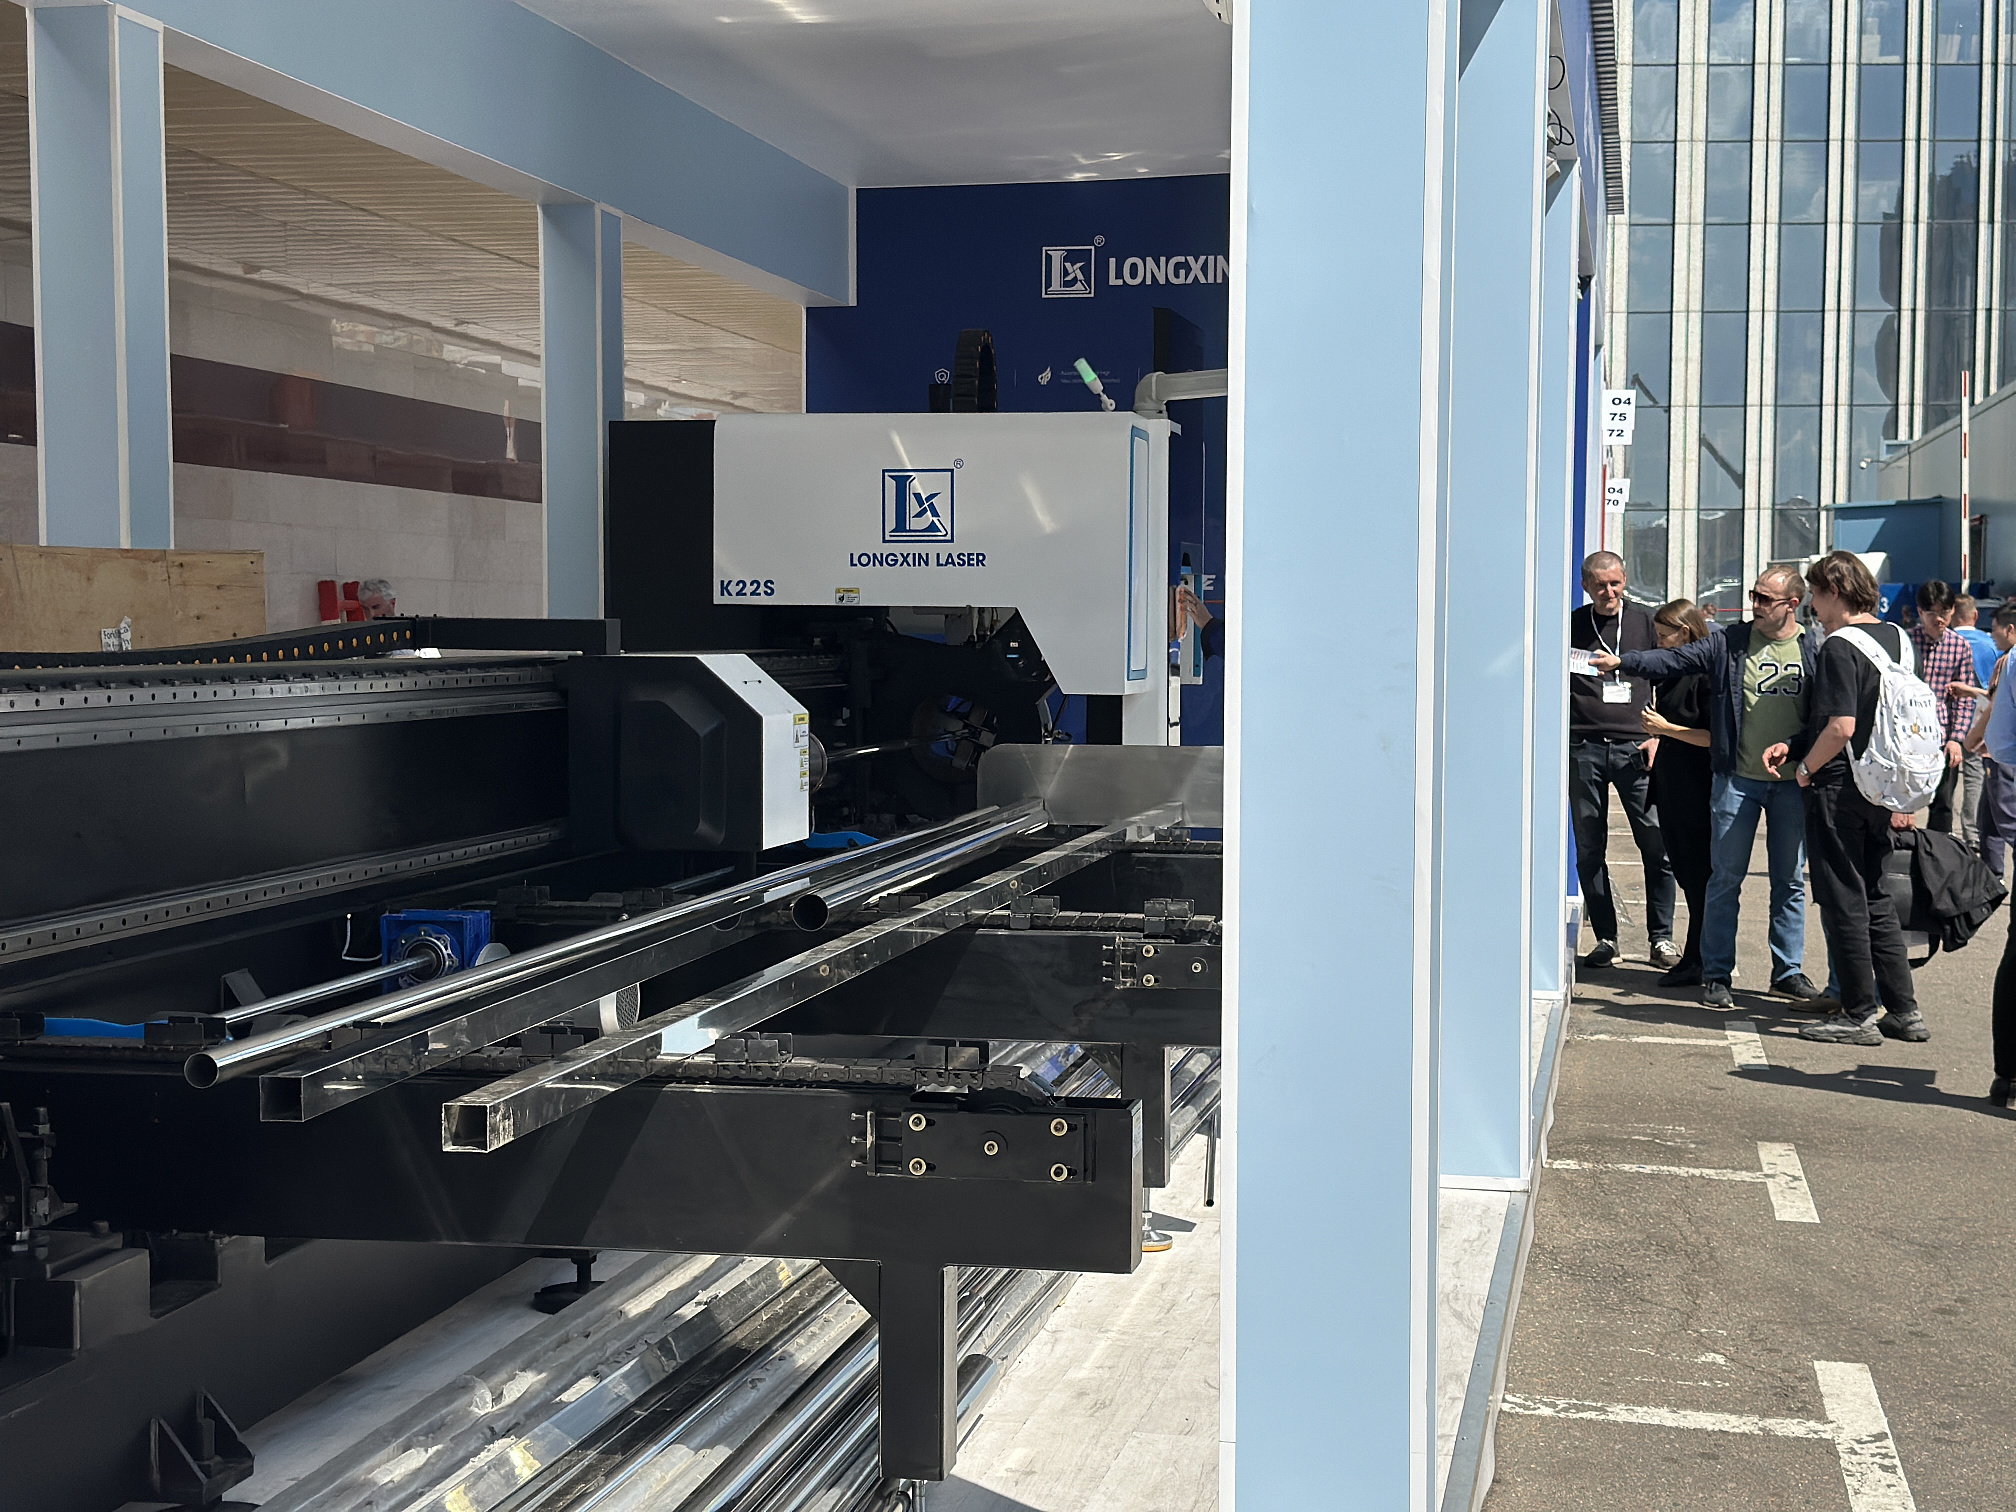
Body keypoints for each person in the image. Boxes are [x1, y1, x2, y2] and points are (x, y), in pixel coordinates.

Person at [1593, 565, 1821, 1007]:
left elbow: (1823, 712)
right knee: (1724, 880)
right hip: (1738, 779)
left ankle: (1787, 972)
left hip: (1792, 781)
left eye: (1764, 599)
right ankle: (1715, 973)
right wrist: (1624, 661)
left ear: (1792, 604)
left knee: (1789, 881)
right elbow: (1672, 660)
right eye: (1753, 595)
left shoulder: (1812, 646)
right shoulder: (1731, 642)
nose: (1754, 604)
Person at [1761, 552, 1926, 1046]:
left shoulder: (1838, 646)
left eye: (1815, 593)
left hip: (1839, 786)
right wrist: (1798, 745)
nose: (1812, 604)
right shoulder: (1898, 639)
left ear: (1834, 592)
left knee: (1843, 901)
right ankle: (1904, 1010)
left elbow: (1841, 726)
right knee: (1875, 895)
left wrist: (1805, 769)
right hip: (1884, 783)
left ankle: (1858, 1013)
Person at [1569, 551, 1680, 969]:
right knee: (1589, 847)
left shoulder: (1646, 623)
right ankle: (1606, 937)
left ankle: (1661, 938)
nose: (1609, 591)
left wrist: (1659, 735)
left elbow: (1669, 678)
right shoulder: (1573, 625)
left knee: (1656, 844)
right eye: (1600, 585)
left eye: (1615, 583)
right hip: (1585, 747)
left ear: (1625, 579)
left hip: (1637, 749)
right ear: (1586, 586)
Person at [1637, 601, 1715, 984]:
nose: (1659, 643)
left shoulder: (1705, 675)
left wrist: (1665, 729)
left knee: (1699, 877)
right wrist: (1657, 737)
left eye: (1664, 636)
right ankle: (1696, 956)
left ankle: (1699, 959)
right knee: (1685, 873)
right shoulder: (1672, 674)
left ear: (1685, 633)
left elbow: (1712, 737)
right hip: (1670, 784)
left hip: (1696, 788)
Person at [1907, 580, 1977, 836]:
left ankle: (1938, 854)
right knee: (1901, 802)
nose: (1939, 619)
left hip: (1943, 738)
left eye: (1944, 612)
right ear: (1920, 612)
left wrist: (1957, 739)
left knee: (1943, 806)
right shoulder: (1907, 642)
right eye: (1932, 612)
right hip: (1908, 737)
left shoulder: (1960, 646)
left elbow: (1965, 698)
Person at [1965, 603, 2016, 880]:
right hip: (1999, 753)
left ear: (2010, 629)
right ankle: (1991, 879)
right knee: (1990, 823)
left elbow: (1995, 705)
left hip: (2004, 759)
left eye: (1995, 629)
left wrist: (1973, 738)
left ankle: (1992, 880)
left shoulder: (2008, 662)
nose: (1992, 635)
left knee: (2004, 823)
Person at [1949, 593, 1996, 844]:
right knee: (1974, 778)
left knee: (1944, 779)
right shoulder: (1991, 644)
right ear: (1975, 615)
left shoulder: (1946, 642)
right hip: (1979, 722)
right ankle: (1972, 833)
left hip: (1947, 722)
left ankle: (1942, 833)